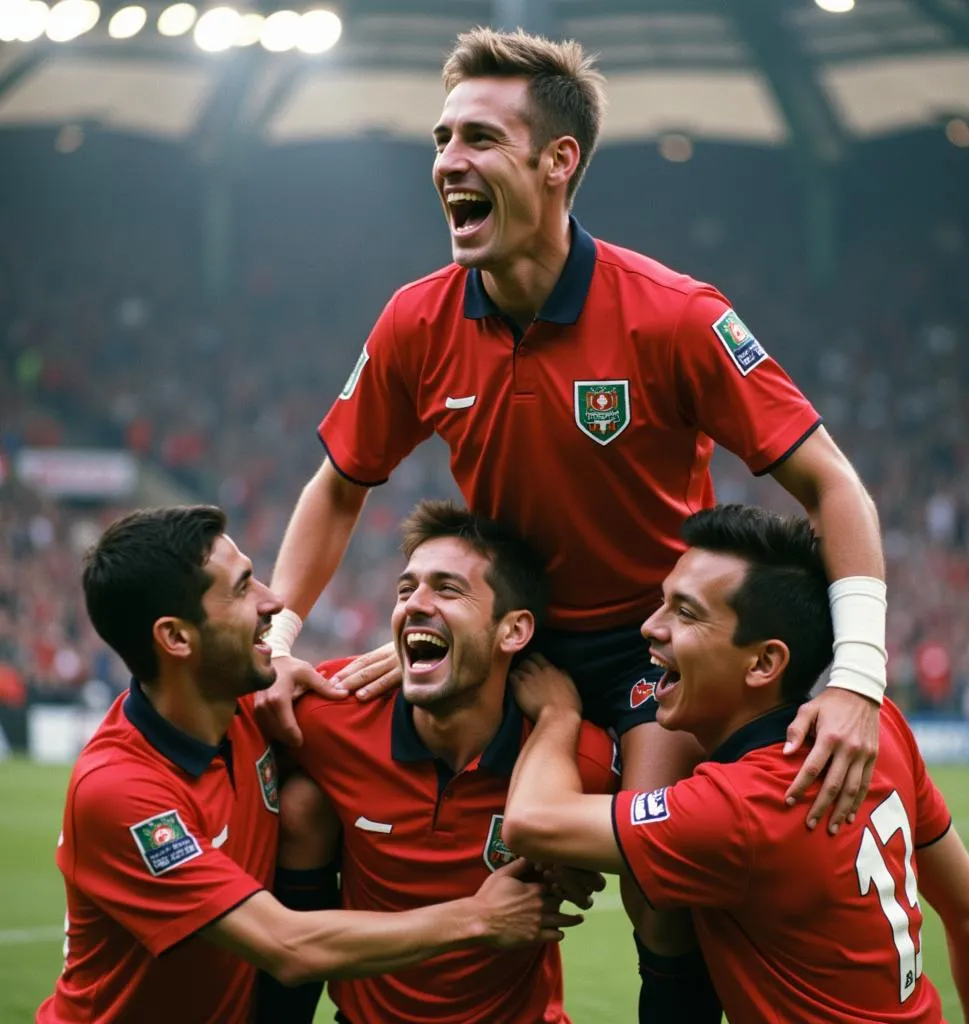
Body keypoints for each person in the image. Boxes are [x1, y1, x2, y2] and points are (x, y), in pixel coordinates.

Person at [260, 25, 887, 1017]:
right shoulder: (415, 321)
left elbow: (833, 484)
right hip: (509, 642)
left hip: (650, 646)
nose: (446, 163)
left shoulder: (672, 314)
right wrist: (278, 639)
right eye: (441, 138)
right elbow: (338, 483)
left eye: (477, 140)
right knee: (306, 802)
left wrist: (856, 676)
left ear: (557, 163)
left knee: (659, 886)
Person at [37, 506, 581, 1024]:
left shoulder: (261, 710)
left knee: (303, 804)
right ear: (176, 637)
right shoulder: (121, 791)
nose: (274, 603)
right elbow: (286, 945)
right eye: (244, 588)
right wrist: (479, 917)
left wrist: (441, 642)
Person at [501, 504, 969, 1024]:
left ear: (764, 663)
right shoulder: (882, 731)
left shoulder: (739, 808)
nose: (651, 628)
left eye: (686, 612)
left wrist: (558, 714)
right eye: (662, 602)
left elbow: (529, 822)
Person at [262, 500, 619, 1024]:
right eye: (406, 590)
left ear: (514, 631)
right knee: (300, 803)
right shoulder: (331, 712)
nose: (415, 604)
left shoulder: (579, 761)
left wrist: (583, 856)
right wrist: (269, 665)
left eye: (447, 589)